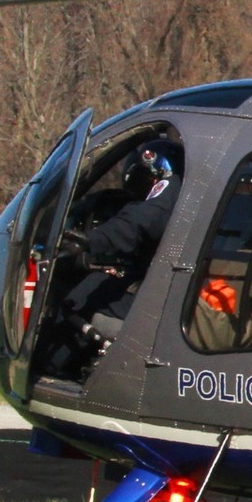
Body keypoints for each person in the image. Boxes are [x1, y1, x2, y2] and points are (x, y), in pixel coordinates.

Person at [49, 140, 183, 374]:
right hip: (174, 292)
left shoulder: (170, 188)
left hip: (163, 298)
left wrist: (92, 240)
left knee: (77, 300)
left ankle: (50, 370)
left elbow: (141, 221)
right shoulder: (194, 194)